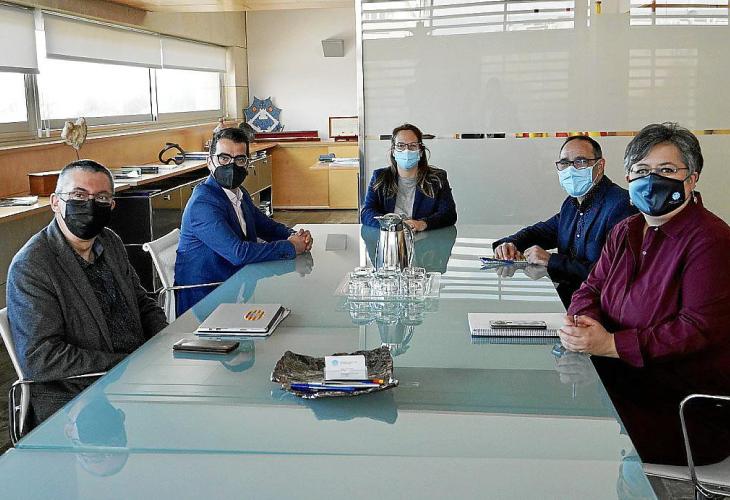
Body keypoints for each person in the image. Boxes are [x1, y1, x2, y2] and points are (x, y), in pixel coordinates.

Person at [560, 123, 730, 465]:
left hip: (680, 411)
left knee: (567, 443)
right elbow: (592, 286)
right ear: (628, 177)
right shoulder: (626, 229)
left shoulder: (711, 240)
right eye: (640, 171)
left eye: (666, 170)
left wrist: (611, 344)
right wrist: (584, 322)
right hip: (622, 387)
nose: (651, 180)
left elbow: (697, 330)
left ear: (692, 178)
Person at [6, 160, 168, 427]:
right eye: (78, 195)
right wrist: (126, 365)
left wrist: (163, 342)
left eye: (101, 198)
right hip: (79, 399)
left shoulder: (109, 241)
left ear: (111, 205)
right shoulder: (33, 265)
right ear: (55, 202)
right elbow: (41, 357)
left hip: (137, 377)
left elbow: (142, 302)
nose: (90, 205)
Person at [175, 127, 312, 315]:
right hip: (205, 301)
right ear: (210, 162)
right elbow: (238, 253)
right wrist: (291, 246)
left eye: (239, 160)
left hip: (237, 287)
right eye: (224, 158)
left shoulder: (239, 194)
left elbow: (267, 227)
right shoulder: (203, 204)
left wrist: (295, 235)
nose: (231, 166)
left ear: (247, 164)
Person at [492, 136, 636, 307]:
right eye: (565, 163)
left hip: (601, 309)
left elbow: (614, 274)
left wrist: (551, 260)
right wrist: (509, 244)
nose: (571, 169)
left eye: (581, 162)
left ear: (600, 166)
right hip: (568, 302)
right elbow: (541, 232)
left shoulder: (621, 205)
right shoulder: (572, 203)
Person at [361, 123, 457, 232]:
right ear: (393, 152)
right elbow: (366, 212)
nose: (406, 150)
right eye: (400, 145)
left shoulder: (437, 179)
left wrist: (423, 224)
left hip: (425, 239)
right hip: (390, 239)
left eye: (412, 145)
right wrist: (390, 226)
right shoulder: (380, 177)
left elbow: (449, 214)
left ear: (420, 152)